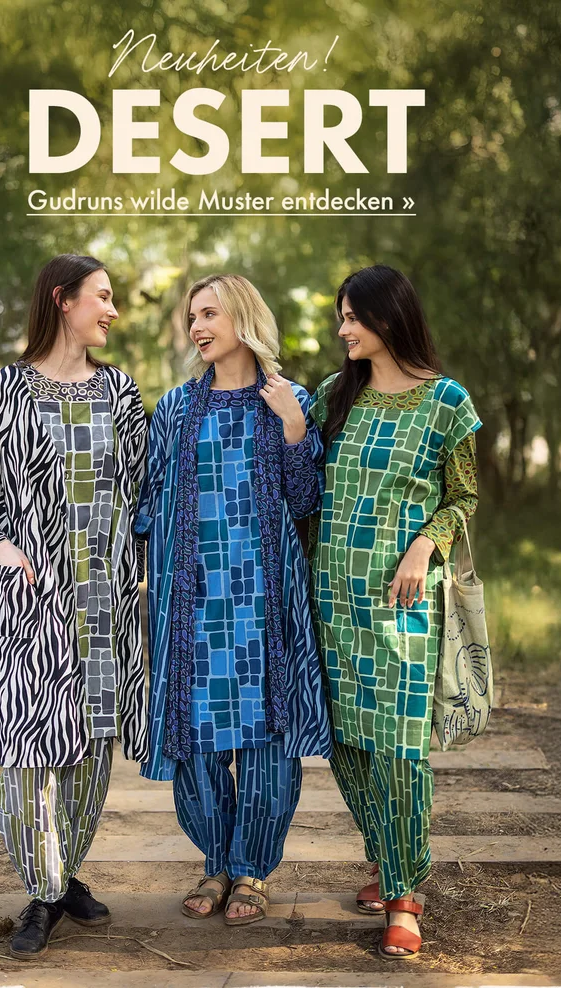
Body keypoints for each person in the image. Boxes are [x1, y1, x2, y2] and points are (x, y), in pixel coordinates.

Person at [0, 254, 148, 959]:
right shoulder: (2, 391)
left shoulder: (120, 391)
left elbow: (146, 493)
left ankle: (59, 881)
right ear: (63, 300)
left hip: (102, 599)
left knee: (87, 747)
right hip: (26, 599)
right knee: (29, 749)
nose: (113, 311)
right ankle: (44, 888)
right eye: (103, 297)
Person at [136, 274, 331, 925]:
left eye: (209, 313)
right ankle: (215, 862)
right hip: (191, 601)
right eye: (192, 316)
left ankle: (252, 870)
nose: (197, 327)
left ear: (242, 317)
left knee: (267, 739)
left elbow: (305, 501)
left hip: (262, 602)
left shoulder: (287, 399)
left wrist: (296, 429)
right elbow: (147, 502)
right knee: (193, 736)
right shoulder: (174, 409)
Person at [309, 264, 481, 959]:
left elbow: (463, 498)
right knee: (348, 738)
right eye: (341, 316)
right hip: (331, 592)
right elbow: (301, 481)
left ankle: (406, 899)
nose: (343, 328)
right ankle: (387, 861)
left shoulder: (448, 404)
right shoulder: (334, 396)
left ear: (389, 317)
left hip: (402, 600)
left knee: (400, 747)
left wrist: (424, 545)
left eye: (354, 315)